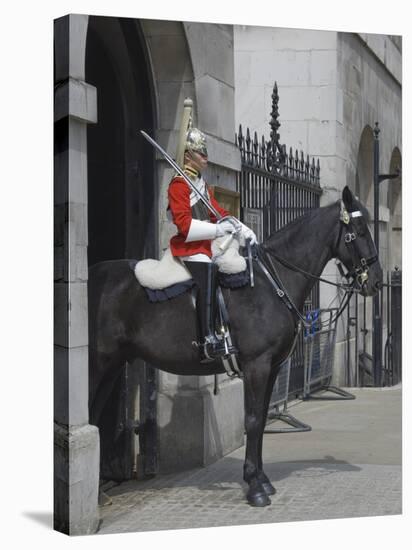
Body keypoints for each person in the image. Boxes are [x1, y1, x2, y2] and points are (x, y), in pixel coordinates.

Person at [168, 127, 257, 363]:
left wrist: (240, 227)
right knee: (208, 270)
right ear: (188, 155)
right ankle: (207, 341)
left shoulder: (200, 184)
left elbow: (218, 211)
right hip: (189, 247)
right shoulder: (179, 184)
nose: (205, 157)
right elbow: (184, 226)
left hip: (204, 245)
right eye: (200, 153)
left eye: (205, 153)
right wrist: (219, 230)